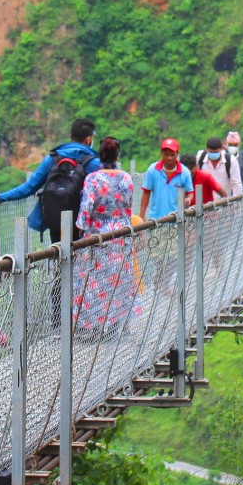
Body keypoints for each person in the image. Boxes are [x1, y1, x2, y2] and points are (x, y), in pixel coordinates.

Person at [74, 137, 142, 339]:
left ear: (100, 155)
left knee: (93, 284)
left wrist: (80, 231)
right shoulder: (127, 179)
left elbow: (86, 210)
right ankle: (116, 326)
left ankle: (93, 327)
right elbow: (127, 208)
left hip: (97, 238)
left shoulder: (93, 179)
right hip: (120, 235)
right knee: (119, 281)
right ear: (118, 156)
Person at [0, 118, 100, 245]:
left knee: (60, 256)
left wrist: (2, 196)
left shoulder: (52, 159)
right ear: (88, 140)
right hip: (83, 224)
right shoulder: (94, 163)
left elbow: (29, 188)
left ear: (71, 136)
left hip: (55, 221)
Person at [139, 139, 193, 219]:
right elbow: (146, 193)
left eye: (172, 155)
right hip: (156, 220)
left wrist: (188, 199)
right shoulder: (153, 170)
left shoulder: (184, 172)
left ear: (177, 154)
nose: (169, 158)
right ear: (161, 153)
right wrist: (141, 215)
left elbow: (190, 192)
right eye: (166, 155)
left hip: (177, 219)